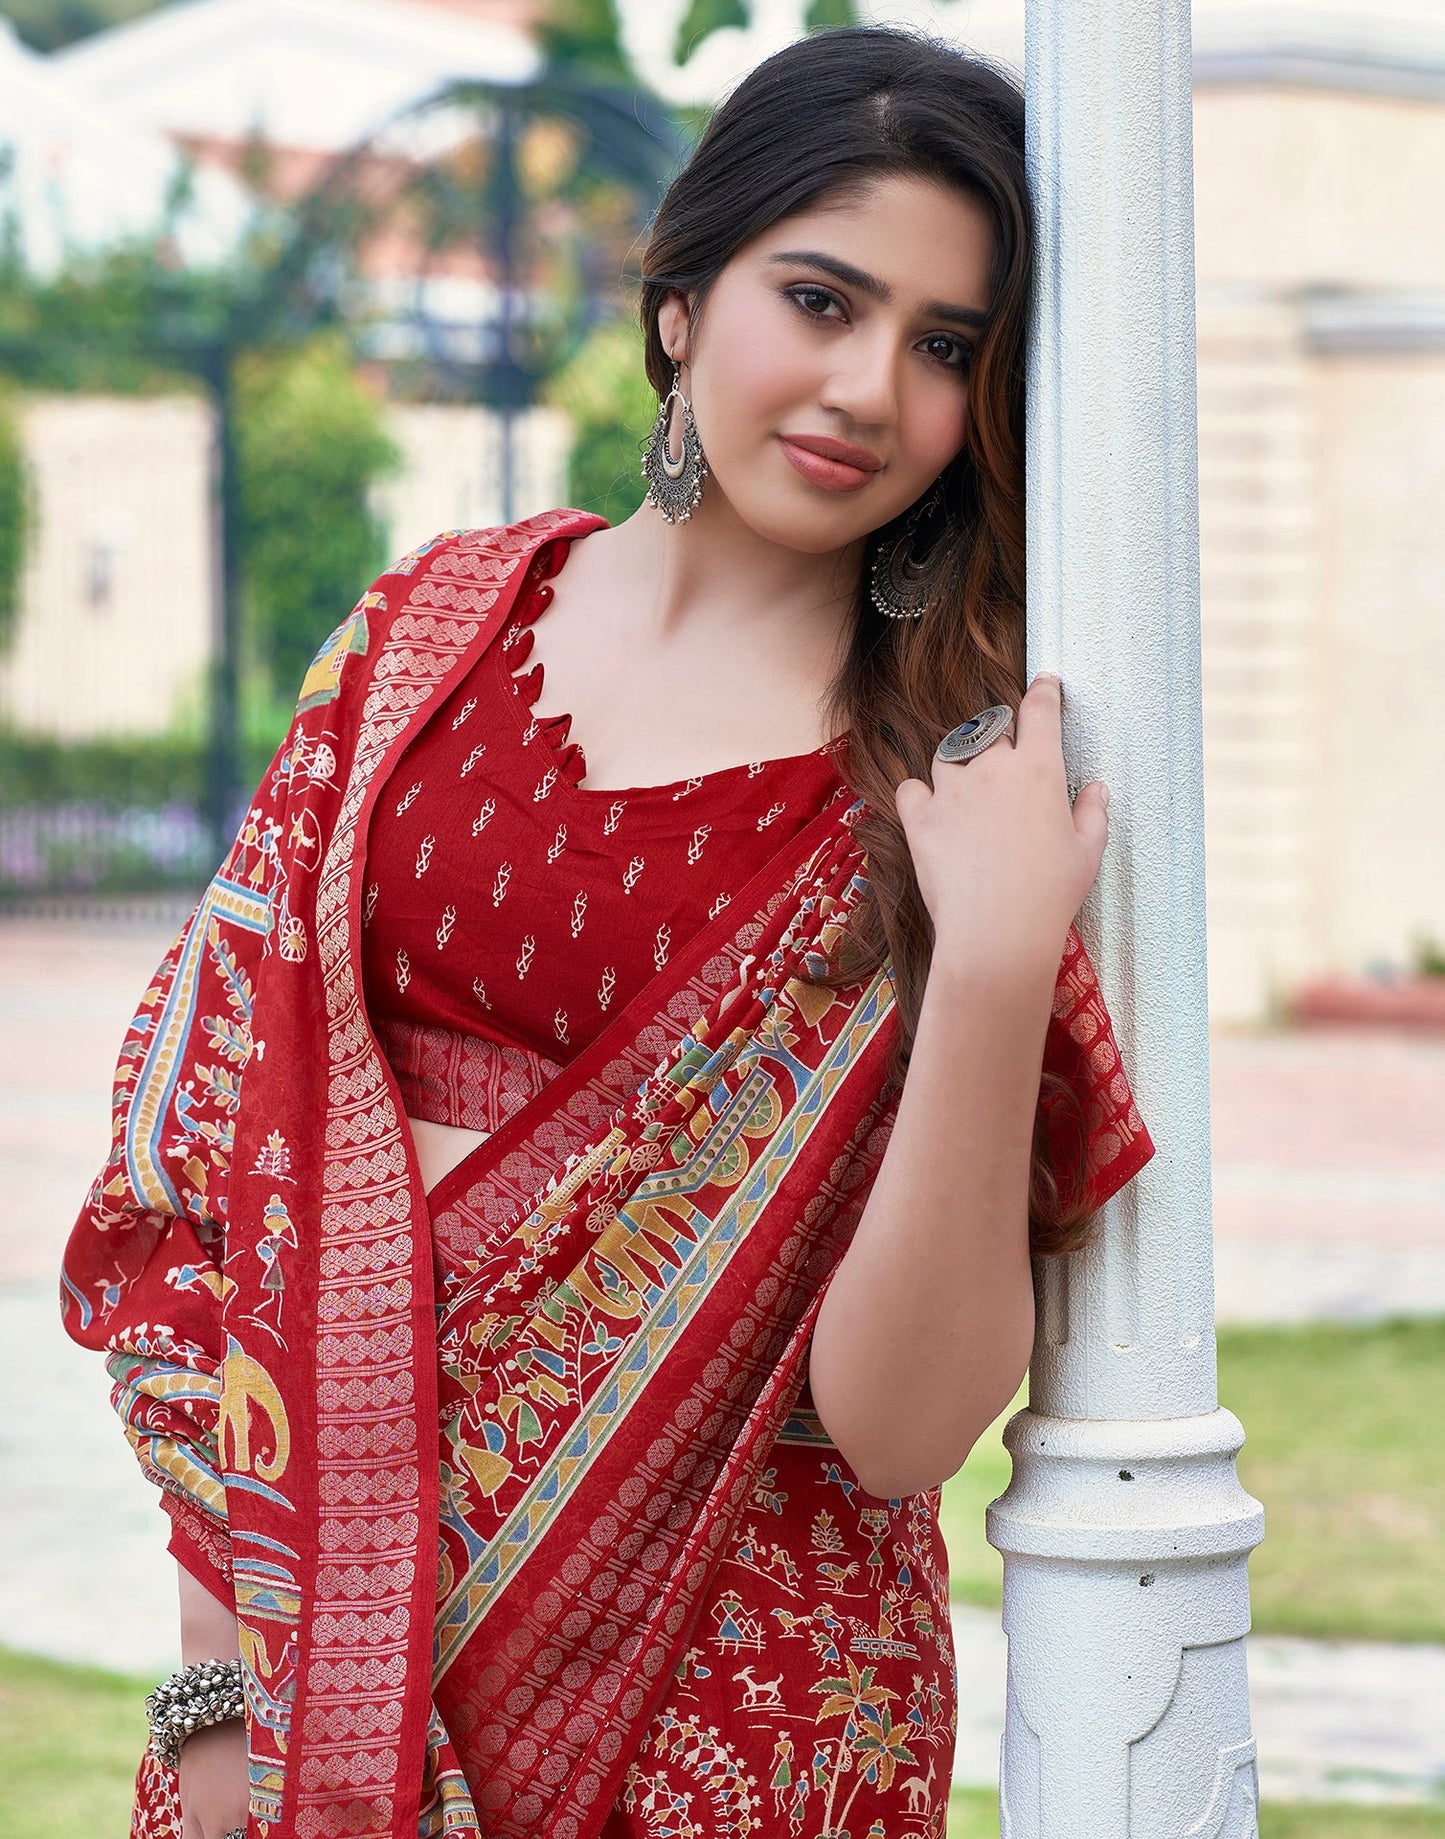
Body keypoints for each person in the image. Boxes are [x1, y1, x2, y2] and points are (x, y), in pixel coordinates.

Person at [60, 25, 1155, 1839]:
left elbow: (897, 1436)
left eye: (945, 347)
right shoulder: (424, 641)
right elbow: (195, 1175)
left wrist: (985, 966)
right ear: (677, 298)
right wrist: (216, 1681)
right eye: (819, 298)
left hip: (722, 1715)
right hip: (293, 1674)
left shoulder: (952, 781)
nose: (870, 385)